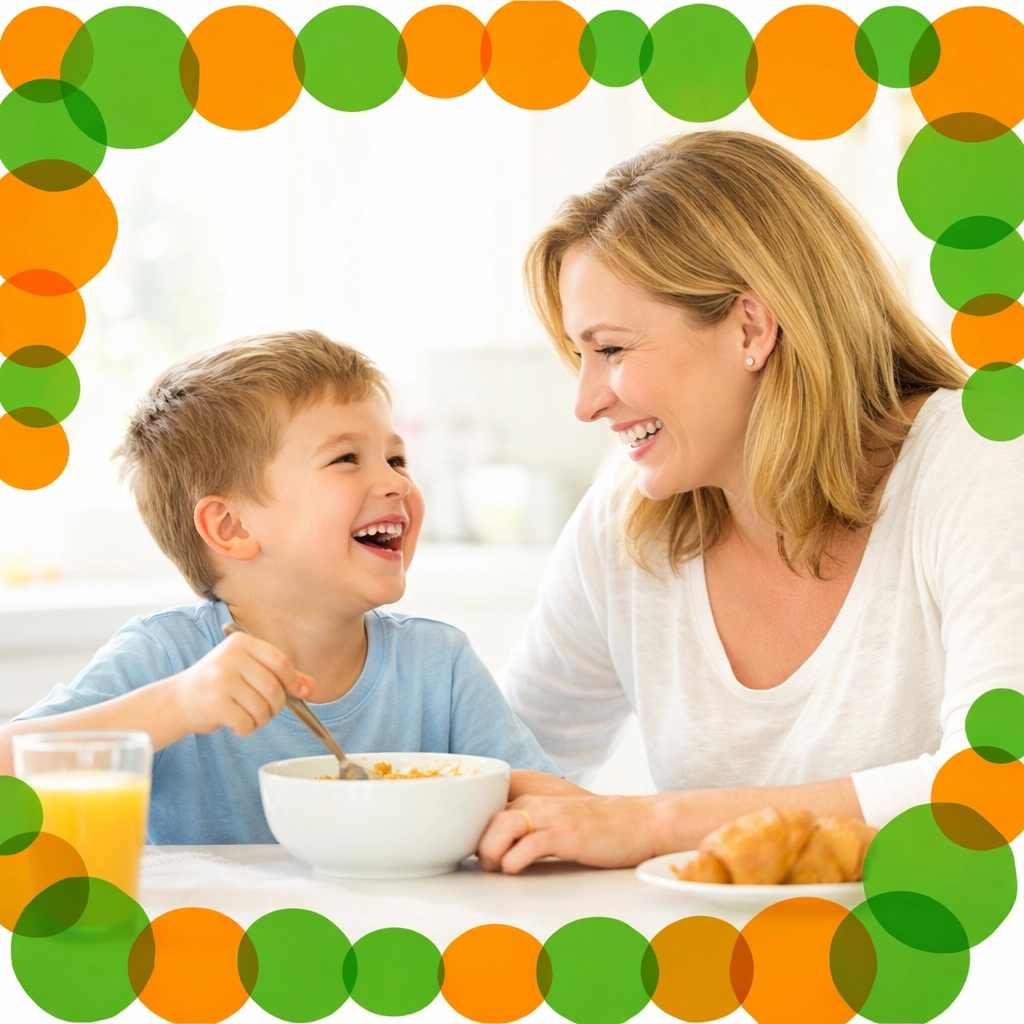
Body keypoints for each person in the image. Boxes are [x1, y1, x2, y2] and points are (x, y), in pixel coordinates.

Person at [477, 130, 1024, 874]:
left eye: (611, 350)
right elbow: (499, 770)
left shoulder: (980, 460)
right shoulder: (628, 517)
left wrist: (655, 822)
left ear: (750, 328)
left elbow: (996, 785)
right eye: (579, 356)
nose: (586, 402)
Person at [0, 331, 575, 844]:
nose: (396, 482)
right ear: (232, 527)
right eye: (346, 458)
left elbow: (546, 807)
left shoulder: (438, 667)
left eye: (397, 459)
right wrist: (176, 705)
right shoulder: (167, 661)